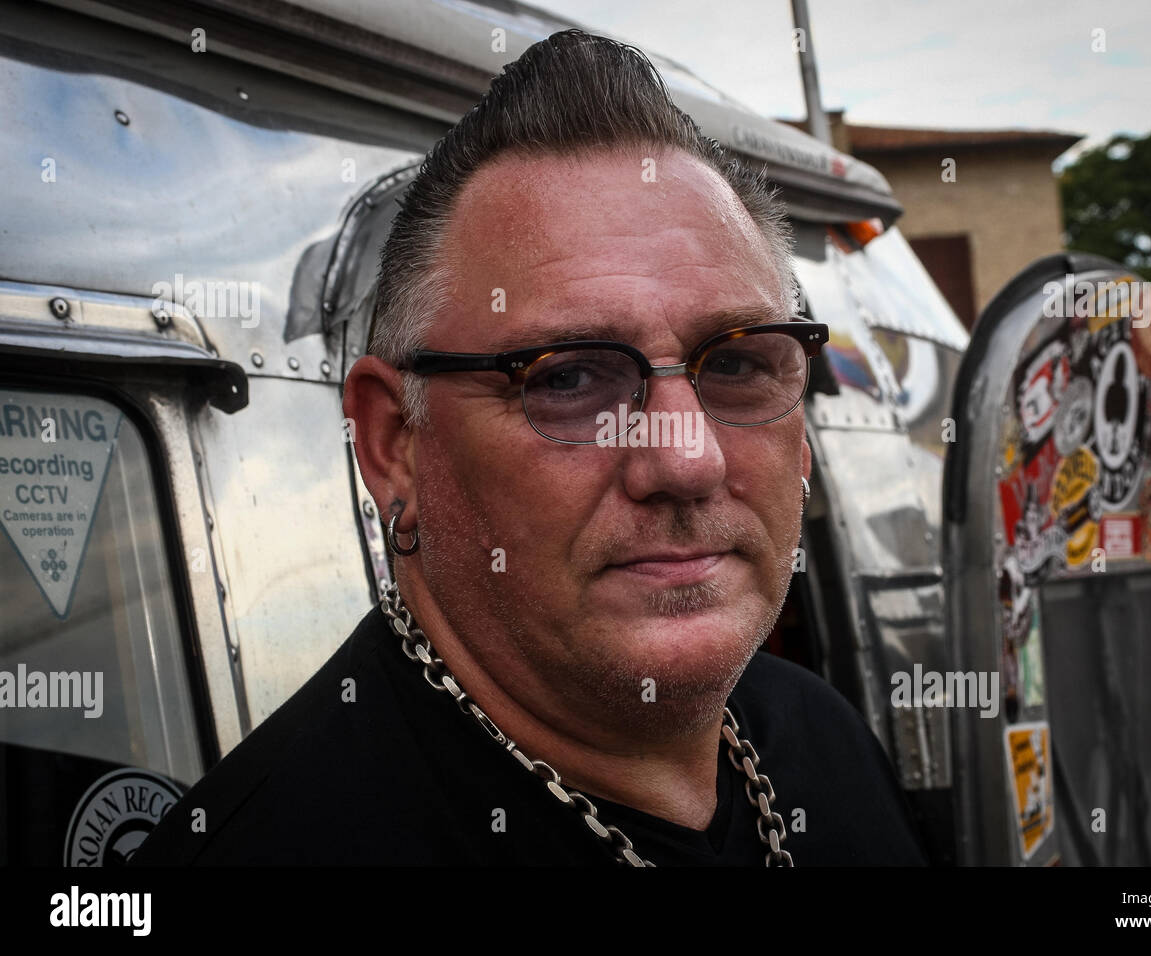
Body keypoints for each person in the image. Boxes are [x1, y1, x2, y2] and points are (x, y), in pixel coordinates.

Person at [131, 29, 926, 866]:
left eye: (735, 366)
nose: (687, 461)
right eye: (569, 379)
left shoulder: (824, 744)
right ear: (395, 444)